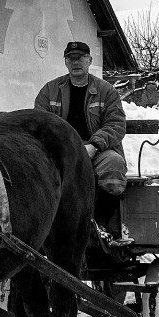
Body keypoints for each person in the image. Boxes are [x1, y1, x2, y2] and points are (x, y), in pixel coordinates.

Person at [35, 41, 128, 239]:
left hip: (98, 151)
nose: (76, 62)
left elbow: (116, 125)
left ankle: (102, 223)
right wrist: (61, 147)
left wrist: (94, 145)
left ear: (90, 60)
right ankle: (44, 226)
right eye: (71, 58)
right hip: (60, 151)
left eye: (81, 58)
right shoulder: (49, 91)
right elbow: (40, 123)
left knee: (114, 164)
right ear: (66, 62)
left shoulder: (106, 91)